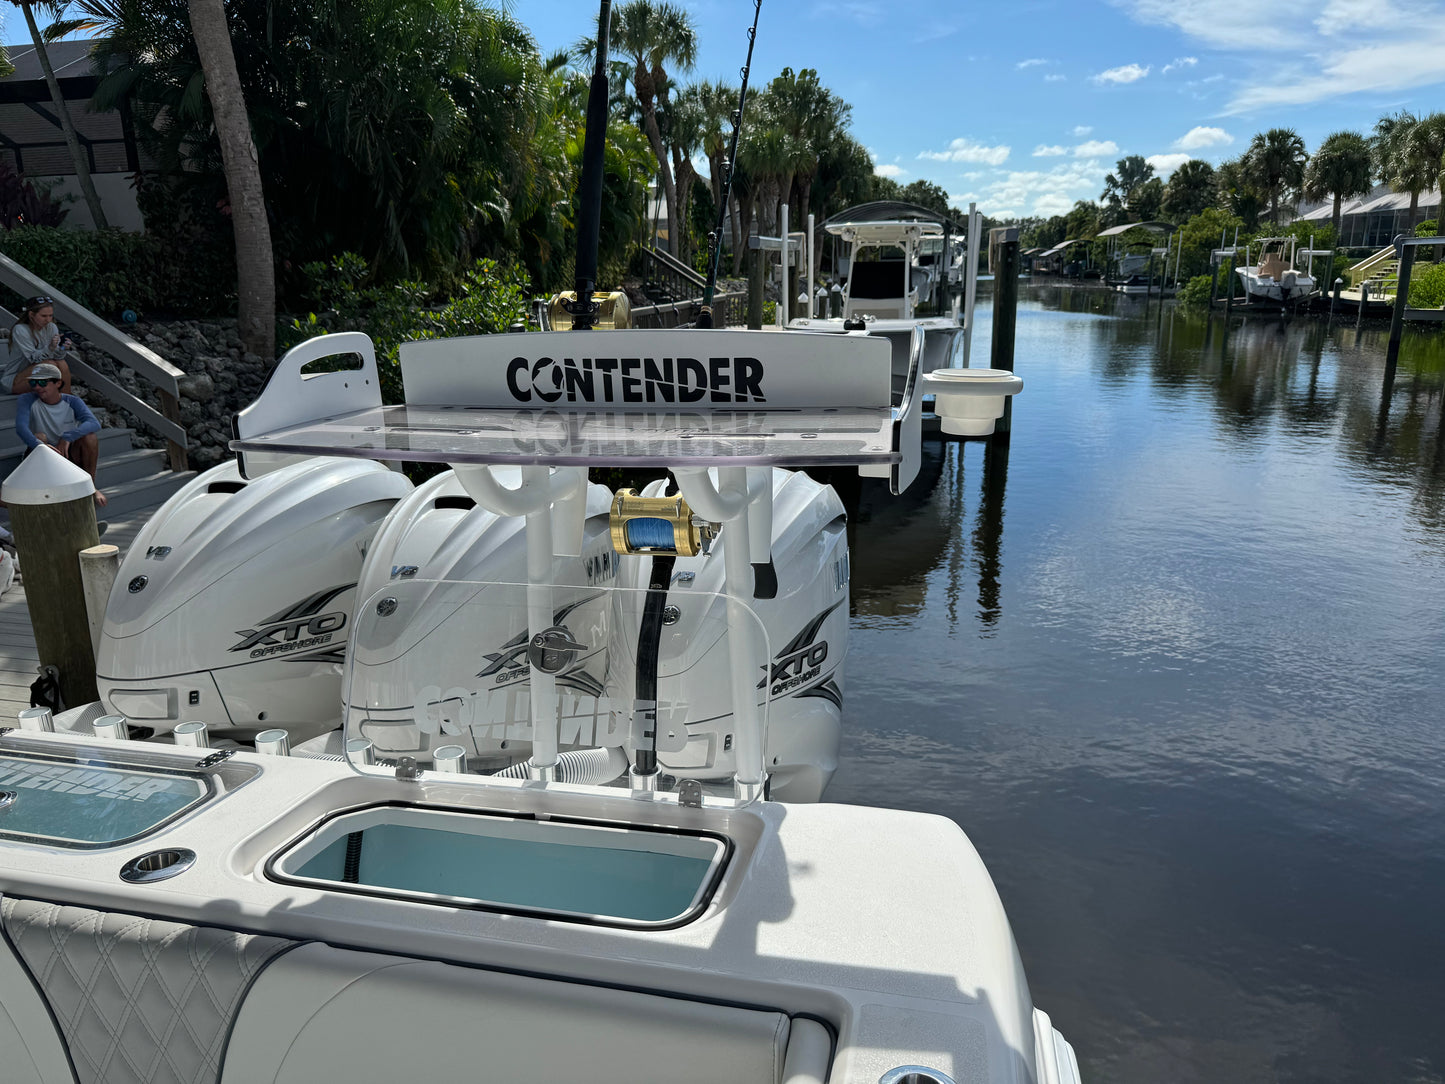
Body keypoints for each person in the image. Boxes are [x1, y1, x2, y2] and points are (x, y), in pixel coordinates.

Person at [16, 362, 106, 507]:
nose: (37, 387)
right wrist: (42, 446)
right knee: (40, 437)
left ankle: (90, 487)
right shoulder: (26, 399)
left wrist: (67, 437)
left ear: (58, 383)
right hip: (42, 455)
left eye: (42, 382)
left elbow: (94, 423)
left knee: (90, 437)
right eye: (33, 382)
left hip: (66, 453)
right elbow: (21, 428)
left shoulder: (73, 401)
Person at [5, 295, 73, 395]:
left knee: (62, 363)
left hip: (41, 375)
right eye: (44, 316)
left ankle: (67, 399)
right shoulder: (20, 330)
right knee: (49, 365)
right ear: (31, 314)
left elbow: (57, 356)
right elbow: (34, 359)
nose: (48, 320)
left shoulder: (51, 327)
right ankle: (59, 400)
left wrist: (62, 348)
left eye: (50, 315)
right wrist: (50, 347)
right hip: (15, 379)